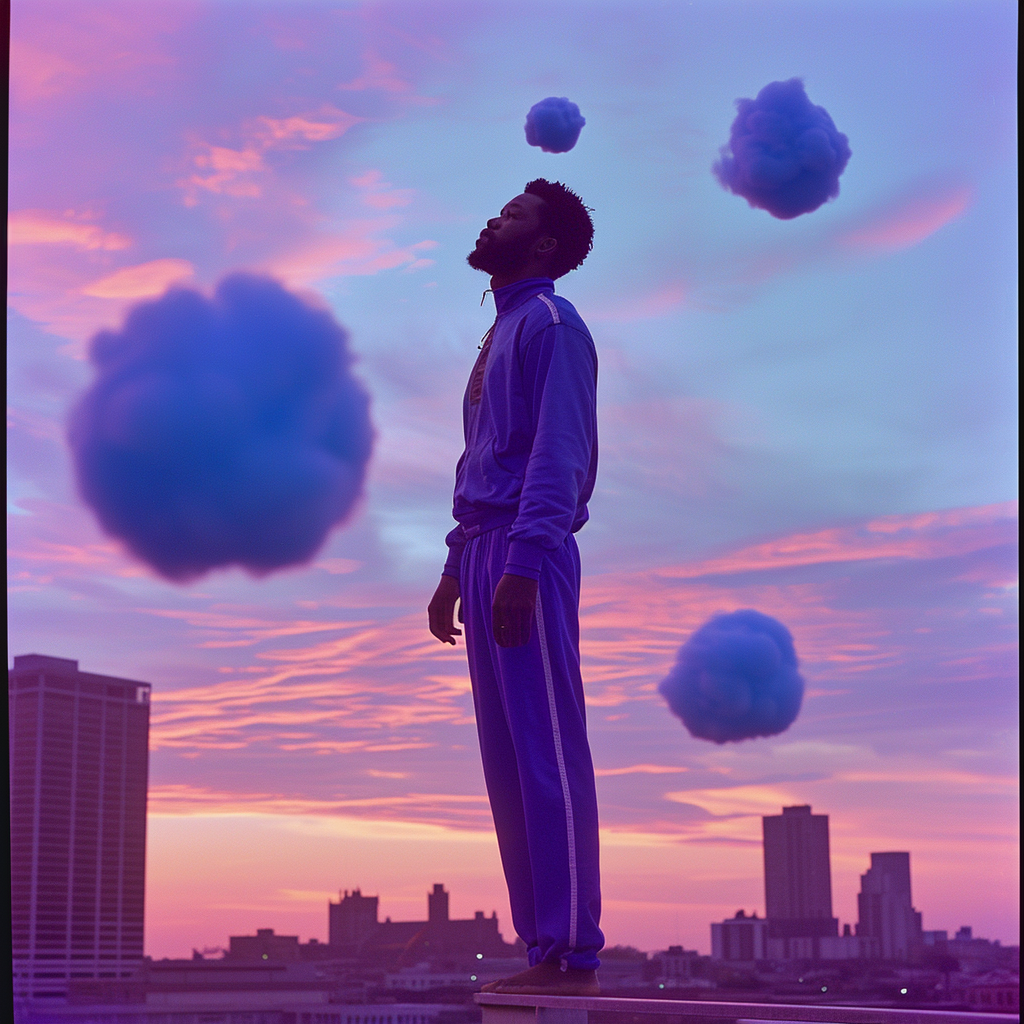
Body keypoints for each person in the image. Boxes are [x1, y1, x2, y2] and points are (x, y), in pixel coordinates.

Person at [427, 179, 603, 995]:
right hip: (486, 549)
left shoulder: (552, 325)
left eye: (516, 214)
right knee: (505, 760)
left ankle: (572, 951)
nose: (494, 215)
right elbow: (484, 459)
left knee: (546, 749)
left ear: (542, 246)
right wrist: (454, 565)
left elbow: (557, 453)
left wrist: (525, 562)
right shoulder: (498, 333)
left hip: (529, 549)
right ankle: (542, 948)